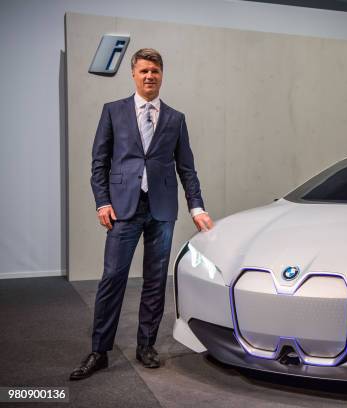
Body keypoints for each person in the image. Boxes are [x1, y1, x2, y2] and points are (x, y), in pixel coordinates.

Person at [70, 48, 213, 380]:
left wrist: (197, 207)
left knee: (155, 280)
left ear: (163, 75)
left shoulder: (176, 119)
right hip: (122, 208)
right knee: (112, 279)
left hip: (162, 210)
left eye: (156, 71)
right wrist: (102, 202)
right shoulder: (113, 112)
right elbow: (99, 164)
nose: (150, 76)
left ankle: (146, 344)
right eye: (144, 71)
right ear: (133, 74)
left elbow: (187, 168)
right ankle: (99, 350)